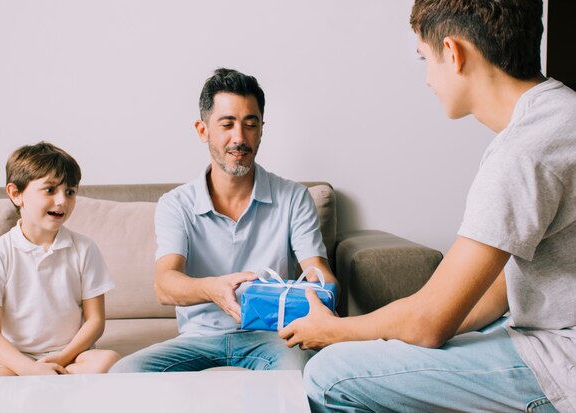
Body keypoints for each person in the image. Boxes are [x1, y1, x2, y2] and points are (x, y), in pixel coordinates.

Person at [280, 1, 576, 411]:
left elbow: (429, 323)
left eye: (425, 58)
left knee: (330, 374)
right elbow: (494, 291)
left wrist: (332, 331)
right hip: (544, 334)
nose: (427, 79)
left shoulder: (523, 152)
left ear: (453, 53)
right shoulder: (561, 113)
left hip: (560, 360)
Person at [110, 68, 338, 373]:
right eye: (227, 124)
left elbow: (318, 272)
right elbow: (165, 284)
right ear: (203, 131)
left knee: (300, 376)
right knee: (124, 374)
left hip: (272, 337)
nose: (239, 138)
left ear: (261, 130)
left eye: (250, 124)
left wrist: (326, 297)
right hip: (197, 339)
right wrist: (213, 289)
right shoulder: (176, 204)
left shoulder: (294, 197)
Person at [0, 142, 120, 376]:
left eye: (70, 192)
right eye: (50, 190)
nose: (62, 201)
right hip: (15, 358)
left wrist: (64, 357)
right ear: (16, 194)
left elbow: (95, 320)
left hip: (71, 354)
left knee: (110, 361)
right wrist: (28, 368)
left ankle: (54, 384)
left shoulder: (85, 249)